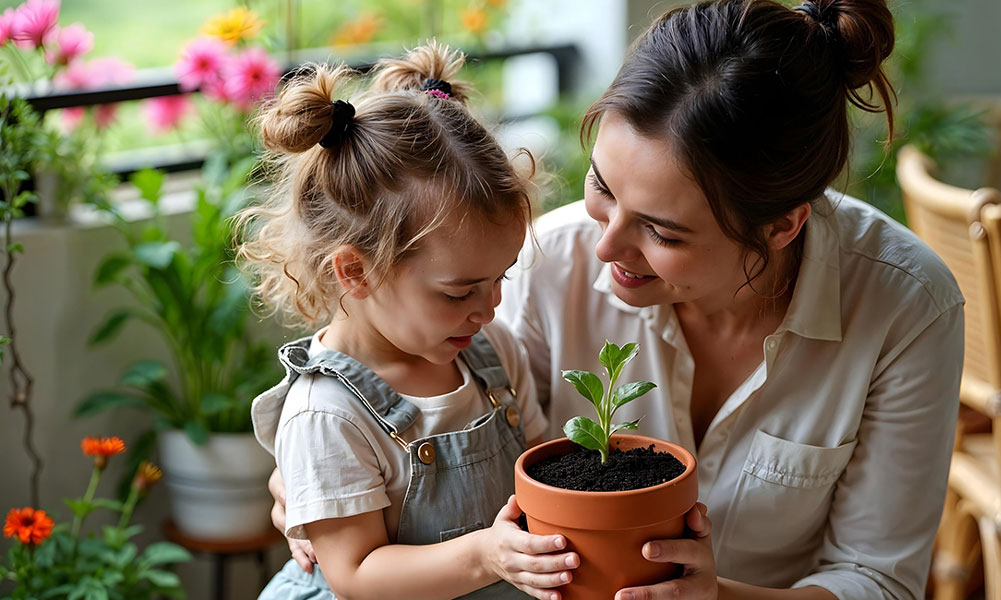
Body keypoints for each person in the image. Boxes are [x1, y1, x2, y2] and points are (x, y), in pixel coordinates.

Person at [272, 1, 964, 598]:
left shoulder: (904, 307)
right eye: (602, 187)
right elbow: (396, 402)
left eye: (662, 231)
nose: (604, 250)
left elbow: (877, 580)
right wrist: (321, 490)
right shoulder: (546, 261)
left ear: (782, 225)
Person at [241, 42, 579, 600]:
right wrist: (484, 555)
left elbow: (538, 476)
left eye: (501, 277)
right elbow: (356, 574)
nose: (490, 306)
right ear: (356, 272)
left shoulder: (492, 352)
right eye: (459, 292)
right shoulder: (326, 414)